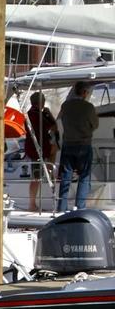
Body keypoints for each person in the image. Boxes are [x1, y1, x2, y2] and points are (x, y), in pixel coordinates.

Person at [57, 81, 99, 211]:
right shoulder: (89, 107)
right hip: (83, 144)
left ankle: (61, 207)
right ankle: (80, 207)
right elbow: (95, 125)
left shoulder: (65, 106)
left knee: (66, 177)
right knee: (84, 176)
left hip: (68, 144)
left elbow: (62, 121)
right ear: (85, 93)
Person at [25, 92, 59, 212]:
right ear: (42, 102)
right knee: (36, 177)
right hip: (37, 148)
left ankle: (50, 170)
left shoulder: (30, 114)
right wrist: (49, 114)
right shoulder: (38, 115)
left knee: (36, 176)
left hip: (33, 147)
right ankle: (32, 204)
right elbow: (53, 127)